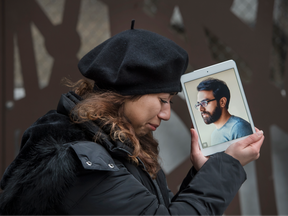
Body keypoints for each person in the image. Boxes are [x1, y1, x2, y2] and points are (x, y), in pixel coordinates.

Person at [0, 22, 264, 216]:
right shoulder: (83, 164)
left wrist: (202, 174)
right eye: (162, 100)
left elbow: (160, 210)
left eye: (170, 102)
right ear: (126, 94)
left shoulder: (116, 147)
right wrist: (227, 166)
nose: (167, 114)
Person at [196, 78, 253, 146]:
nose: (200, 109)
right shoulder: (214, 135)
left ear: (222, 102)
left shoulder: (239, 127)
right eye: (199, 104)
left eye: (204, 102)